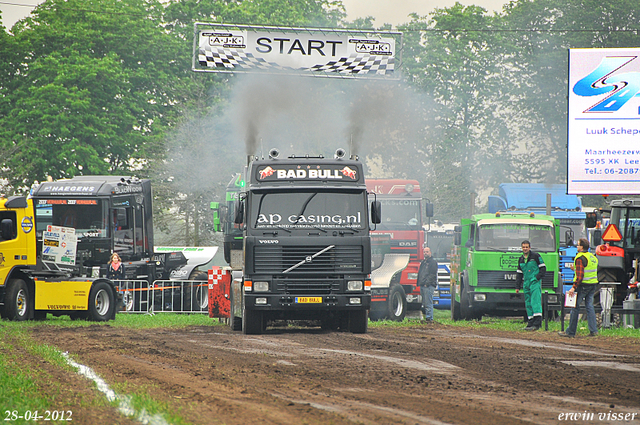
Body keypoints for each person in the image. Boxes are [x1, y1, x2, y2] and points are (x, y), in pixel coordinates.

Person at [559, 238, 599, 338]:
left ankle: (570, 332)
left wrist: (573, 287)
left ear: (581, 247)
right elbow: (587, 269)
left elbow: (580, 276)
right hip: (593, 284)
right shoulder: (592, 256)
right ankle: (593, 330)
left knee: (575, 307)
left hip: (582, 286)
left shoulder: (580, 258)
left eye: (578, 245)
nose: (577, 247)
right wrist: (575, 269)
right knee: (589, 307)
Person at [515, 240, 546, 331]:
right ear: (521, 248)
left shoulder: (536, 256)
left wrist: (537, 278)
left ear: (530, 248)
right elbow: (519, 274)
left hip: (534, 282)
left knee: (535, 302)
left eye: (526, 247)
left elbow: (543, 269)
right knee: (528, 303)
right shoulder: (521, 259)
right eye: (523, 247)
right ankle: (530, 322)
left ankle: (537, 323)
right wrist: (517, 286)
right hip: (526, 283)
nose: (525, 248)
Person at [417, 245, 438, 322]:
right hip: (422, 285)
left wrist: (427, 283)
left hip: (429, 286)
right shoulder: (423, 263)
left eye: (427, 252)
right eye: (424, 252)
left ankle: (429, 318)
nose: (425, 253)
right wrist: (420, 283)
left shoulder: (433, 263)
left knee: (428, 302)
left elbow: (432, 274)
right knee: (425, 303)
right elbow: (420, 273)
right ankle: (427, 317)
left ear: (430, 253)